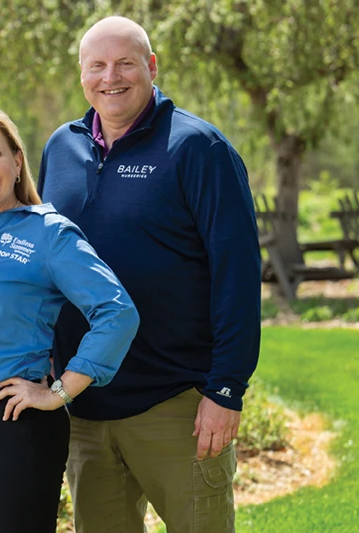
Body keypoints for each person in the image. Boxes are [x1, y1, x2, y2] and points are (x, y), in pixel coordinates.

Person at [37, 16, 262, 533]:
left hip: (177, 405)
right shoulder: (60, 149)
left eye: (124, 63)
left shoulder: (198, 149)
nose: (109, 77)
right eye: (96, 65)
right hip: (84, 402)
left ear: (151, 66)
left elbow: (238, 274)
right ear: (81, 75)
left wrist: (225, 390)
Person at [0, 105, 140, 533]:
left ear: (17, 161)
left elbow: (116, 311)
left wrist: (58, 391)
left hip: (14, 428)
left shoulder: (49, 234)